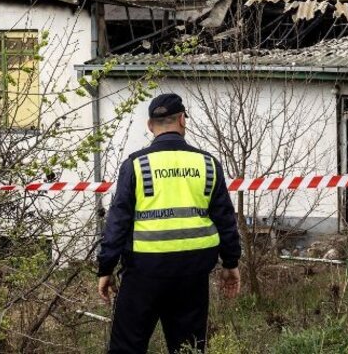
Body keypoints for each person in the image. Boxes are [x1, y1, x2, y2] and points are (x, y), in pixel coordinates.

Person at [96, 93, 242, 354]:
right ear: (183, 120)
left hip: (143, 273)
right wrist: (231, 263)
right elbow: (225, 219)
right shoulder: (208, 164)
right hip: (193, 274)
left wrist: (106, 267)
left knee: (126, 348)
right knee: (188, 348)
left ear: (150, 126)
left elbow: (118, 221)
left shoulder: (136, 165)